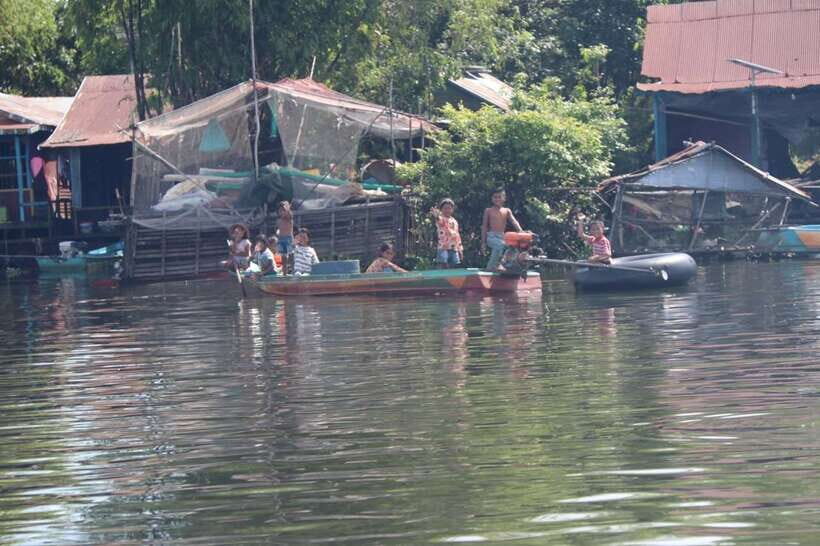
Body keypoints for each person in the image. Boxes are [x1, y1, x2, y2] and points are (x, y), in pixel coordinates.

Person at [481, 188, 522, 271]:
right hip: (491, 236)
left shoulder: (507, 210)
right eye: (495, 197)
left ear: (504, 198)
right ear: (492, 199)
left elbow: (514, 222)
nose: (497, 199)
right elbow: (484, 226)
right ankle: (491, 268)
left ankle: (507, 264)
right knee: (499, 245)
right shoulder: (488, 210)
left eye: (499, 197)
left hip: (502, 237)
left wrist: (521, 231)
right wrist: (483, 242)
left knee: (513, 247)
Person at [430, 198, 463, 269]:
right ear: (441, 209)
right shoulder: (441, 219)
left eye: (449, 208)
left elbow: (457, 236)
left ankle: (451, 279)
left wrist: (460, 249)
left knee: (454, 264)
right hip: (443, 247)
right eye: (445, 208)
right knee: (443, 263)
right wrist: (435, 215)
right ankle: (439, 278)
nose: (447, 210)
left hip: (454, 247)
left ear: (452, 209)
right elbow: (438, 219)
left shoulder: (454, 221)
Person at [276, 201, 294, 273]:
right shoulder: (279, 220)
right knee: (283, 257)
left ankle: (293, 271)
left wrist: (287, 208)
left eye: (283, 211)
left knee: (291, 256)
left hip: (288, 238)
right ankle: (284, 272)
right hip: (281, 239)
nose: (281, 212)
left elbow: (289, 214)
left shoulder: (289, 218)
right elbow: (279, 229)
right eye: (280, 211)